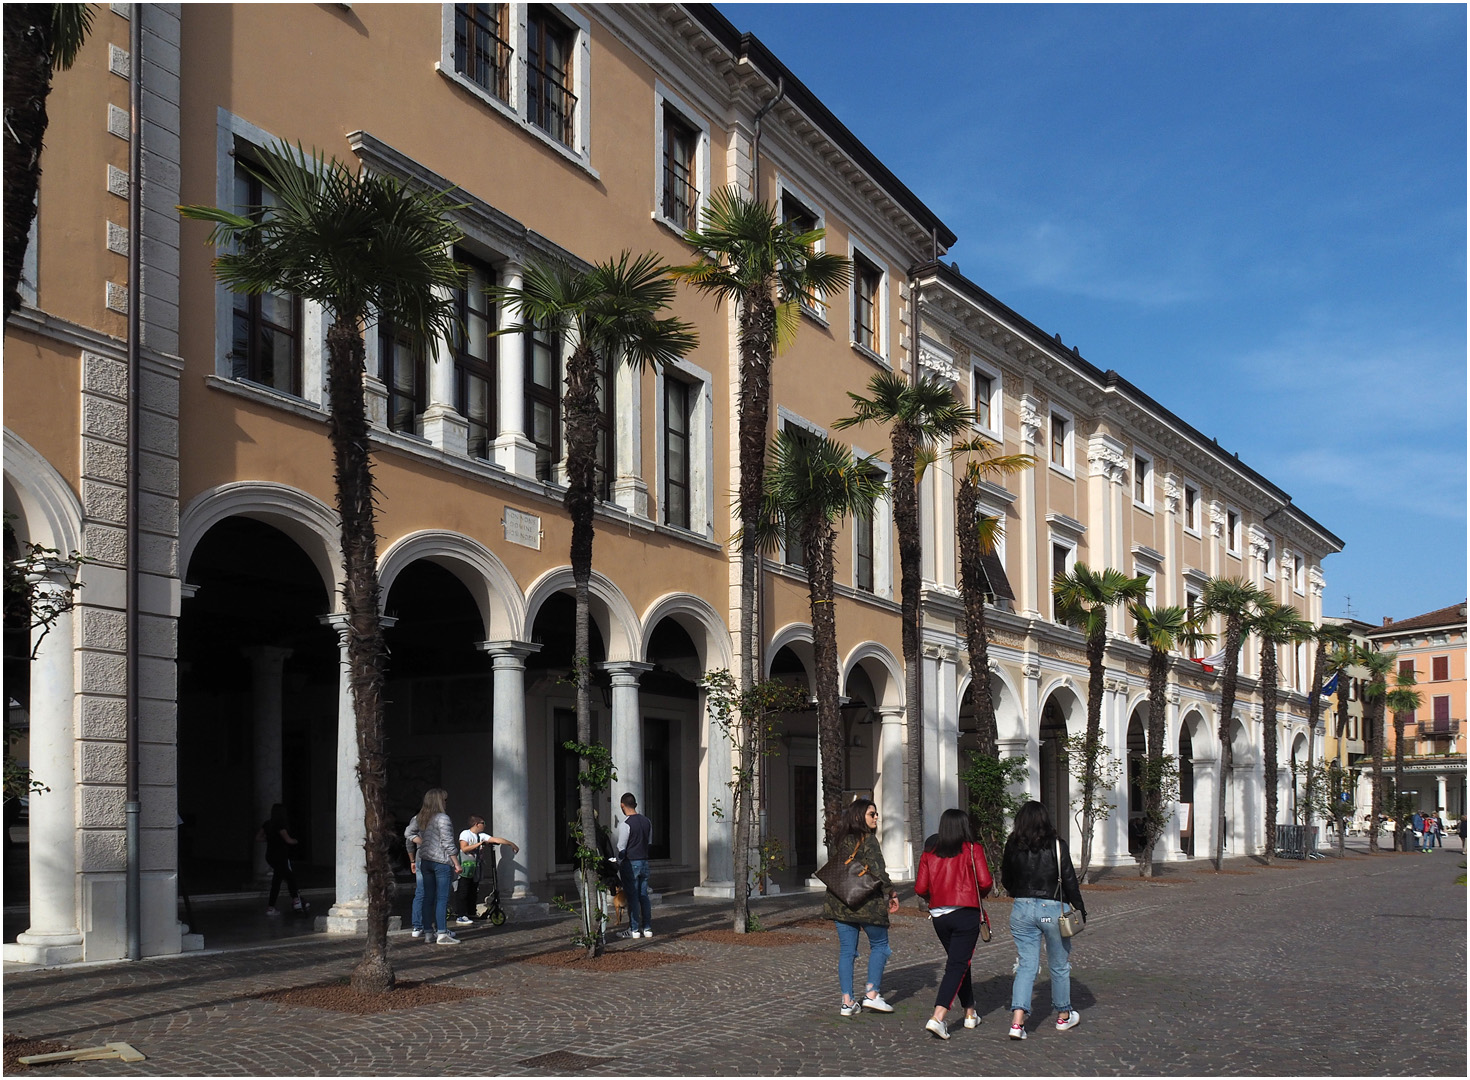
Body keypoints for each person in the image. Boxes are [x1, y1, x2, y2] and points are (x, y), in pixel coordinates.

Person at [1001, 800, 1086, 1039]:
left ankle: (1017, 1022)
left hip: (1021, 907)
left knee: (1026, 965)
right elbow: (1069, 879)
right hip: (1052, 908)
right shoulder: (1057, 846)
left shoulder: (1012, 845)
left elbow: (1006, 878)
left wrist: (1018, 892)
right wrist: (1079, 907)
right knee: (1059, 965)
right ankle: (1063, 1015)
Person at [914, 808, 993, 1040]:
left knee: (960, 962)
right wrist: (977, 894)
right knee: (957, 965)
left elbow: (920, 888)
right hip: (965, 912)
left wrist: (934, 898)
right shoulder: (972, 849)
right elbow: (985, 881)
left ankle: (970, 1012)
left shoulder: (930, 852)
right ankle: (938, 1016)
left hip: (939, 915)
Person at [823, 798, 899, 1018]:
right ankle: (872, 994)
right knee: (880, 945)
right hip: (866, 903)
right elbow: (878, 871)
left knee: (847, 952)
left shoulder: (841, 839)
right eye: (872, 814)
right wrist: (891, 893)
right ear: (859, 816)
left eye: (875, 814)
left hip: (841, 902)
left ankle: (847, 1002)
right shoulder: (868, 840)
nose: (876, 817)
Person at [405, 788, 462, 944]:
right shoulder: (442, 818)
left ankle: (428, 932)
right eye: (444, 800)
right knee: (442, 898)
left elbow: (408, 833)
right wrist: (456, 863)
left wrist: (423, 843)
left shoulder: (420, 817)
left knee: (427, 897)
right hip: (441, 861)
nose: (446, 802)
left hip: (425, 860)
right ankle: (442, 932)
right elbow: (448, 842)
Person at [454, 814, 518, 924]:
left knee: (474, 890)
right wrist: (480, 844)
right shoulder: (466, 834)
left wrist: (511, 844)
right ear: (476, 824)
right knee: (463, 890)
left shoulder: (481, 835)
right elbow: (464, 848)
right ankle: (461, 914)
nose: (484, 825)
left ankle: (471, 912)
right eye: (483, 823)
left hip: (475, 868)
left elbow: (496, 839)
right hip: (465, 867)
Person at [256, 803, 309, 916]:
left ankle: (276, 906)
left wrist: (269, 838)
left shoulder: (267, 824)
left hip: (270, 856)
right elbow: (288, 840)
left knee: (280, 879)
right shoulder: (280, 825)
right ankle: (295, 901)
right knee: (288, 878)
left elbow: (258, 838)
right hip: (280, 856)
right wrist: (297, 841)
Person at [614, 793, 653, 938]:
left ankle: (634, 929)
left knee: (633, 897)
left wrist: (617, 861)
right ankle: (647, 927)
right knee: (644, 896)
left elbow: (621, 847)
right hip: (644, 861)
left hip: (631, 863)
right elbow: (649, 842)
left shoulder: (626, 824)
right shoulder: (647, 821)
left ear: (622, 805)